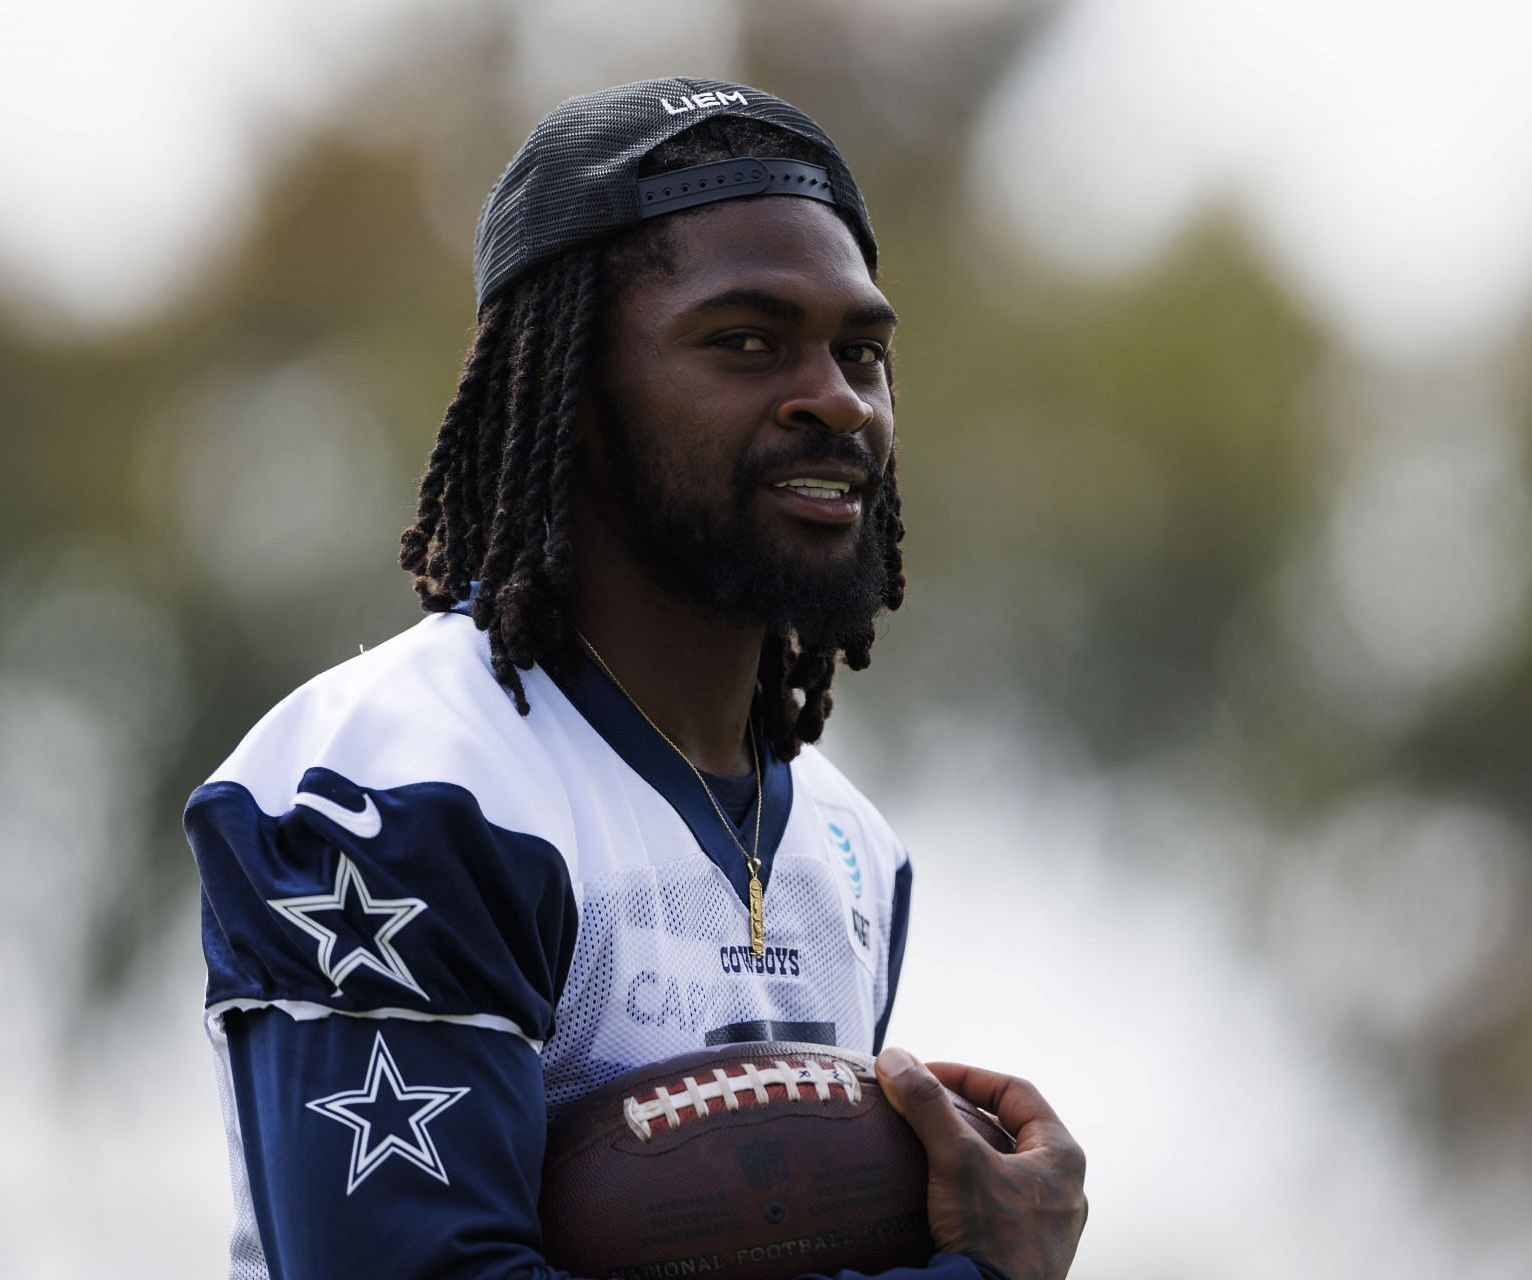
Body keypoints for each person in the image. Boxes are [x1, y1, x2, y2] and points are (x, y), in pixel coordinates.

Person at [184, 77, 1087, 1280]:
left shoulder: (854, 851)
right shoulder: (398, 785)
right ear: (568, 394)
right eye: (748, 341)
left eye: (862, 351)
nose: (836, 399)